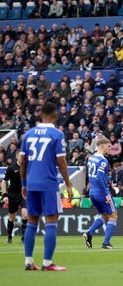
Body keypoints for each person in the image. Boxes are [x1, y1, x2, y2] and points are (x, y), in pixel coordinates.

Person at [19, 102, 73, 271]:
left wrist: (24, 183)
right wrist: (69, 185)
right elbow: (61, 161)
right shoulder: (57, 134)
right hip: (48, 183)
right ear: (55, 114)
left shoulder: (28, 134)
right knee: (51, 220)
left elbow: (22, 161)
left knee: (32, 221)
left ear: (40, 114)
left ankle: (29, 262)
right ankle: (47, 263)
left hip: (32, 182)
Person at [83, 137, 118, 249]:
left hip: (92, 192)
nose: (109, 149)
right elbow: (99, 178)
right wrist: (106, 193)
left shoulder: (91, 158)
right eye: (108, 146)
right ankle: (106, 243)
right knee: (113, 216)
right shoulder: (103, 160)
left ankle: (89, 233)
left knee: (104, 215)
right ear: (102, 146)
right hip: (101, 192)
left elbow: (91, 176)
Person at [2, 157, 27, 244]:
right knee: (12, 217)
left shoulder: (28, 166)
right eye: (21, 156)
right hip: (13, 194)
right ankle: (9, 237)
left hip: (24, 193)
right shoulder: (11, 168)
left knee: (25, 213)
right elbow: (4, 181)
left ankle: (24, 238)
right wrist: (5, 194)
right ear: (16, 157)